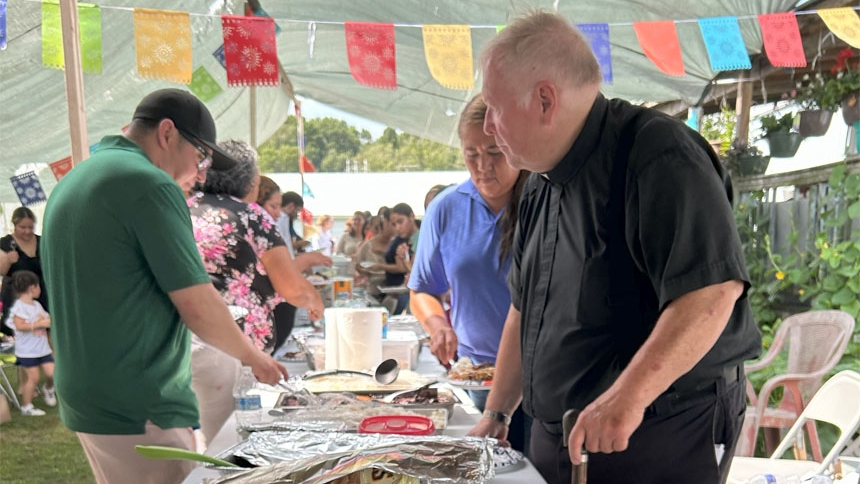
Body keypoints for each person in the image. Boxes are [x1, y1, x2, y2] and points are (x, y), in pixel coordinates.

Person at [468, 11, 762, 484]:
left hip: (657, 435)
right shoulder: (540, 182)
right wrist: (499, 414)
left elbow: (710, 293)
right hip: (562, 439)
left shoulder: (657, 154)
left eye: (495, 109)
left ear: (545, 99)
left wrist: (627, 397)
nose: (489, 129)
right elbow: (524, 311)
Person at [41, 88, 287, 484]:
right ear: (167, 133)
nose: (202, 171)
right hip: (137, 399)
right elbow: (196, 302)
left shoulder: (78, 178)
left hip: (89, 390)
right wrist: (254, 357)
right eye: (201, 154)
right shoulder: (151, 185)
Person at [409, 93, 530, 453]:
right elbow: (422, 290)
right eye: (471, 154)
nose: (482, 166)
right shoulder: (446, 208)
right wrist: (438, 326)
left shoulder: (544, 202)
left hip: (538, 380)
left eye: (494, 153)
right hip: (475, 377)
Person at [188, 140, 324, 445]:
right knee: (232, 444)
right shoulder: (250, 215)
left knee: (204, 440)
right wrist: (313, 299)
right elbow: (290, 286)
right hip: (236, 350)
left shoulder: (184, 210)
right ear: (250, 180)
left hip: (189, 341)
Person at [3, 270, 55, 416]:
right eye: (39, 286)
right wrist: (38, 324)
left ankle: (48, 389)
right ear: (32, 287)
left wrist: (45, 321)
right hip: (27, 351)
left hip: (42, 349)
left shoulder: (37, 305)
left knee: (52, 373)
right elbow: (19, 326)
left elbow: (46, 319)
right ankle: (26, 407)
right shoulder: (19, 307)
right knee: (33, 378)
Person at [1, 207, 48, 339]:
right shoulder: (6, 244)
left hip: (41, 295)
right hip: (17, 297)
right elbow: (2, 271)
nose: (27, 231)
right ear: (14, 225)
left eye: (30, 227)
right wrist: (8, 261)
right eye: (23, 227)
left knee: (44, 333)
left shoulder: (42, 241)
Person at [379, 203, 418, 315]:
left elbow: (415, 272)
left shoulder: (420, 237)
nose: (398, 228)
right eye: (394, 224)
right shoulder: (408, 240)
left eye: (401, 222)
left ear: (411, 217)